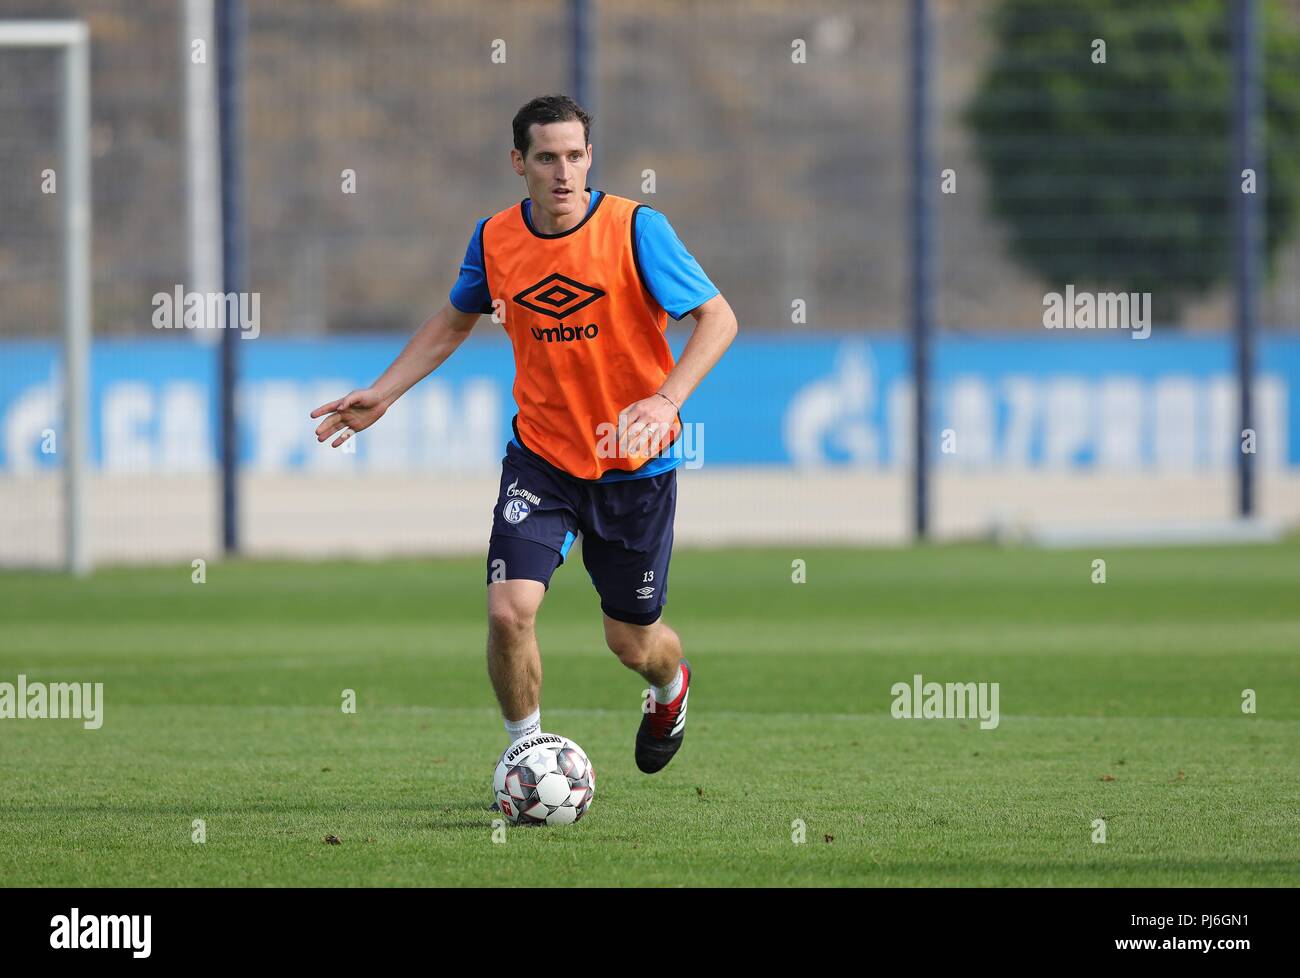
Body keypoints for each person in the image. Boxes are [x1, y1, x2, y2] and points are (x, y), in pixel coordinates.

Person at [312, 93, 737, 776]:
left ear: (590, 157)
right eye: (547, 158)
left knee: (632, 642)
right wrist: (383, 394)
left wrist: (667, 399)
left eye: (575, 156)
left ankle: (669, 687)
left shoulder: (636, 229)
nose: (563, 172)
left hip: (634, 468)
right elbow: (453, 322)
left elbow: (718, 319)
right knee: (510, 612)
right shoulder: (494, 239)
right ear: (519, 162)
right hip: (541, 460)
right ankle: (524, 756)